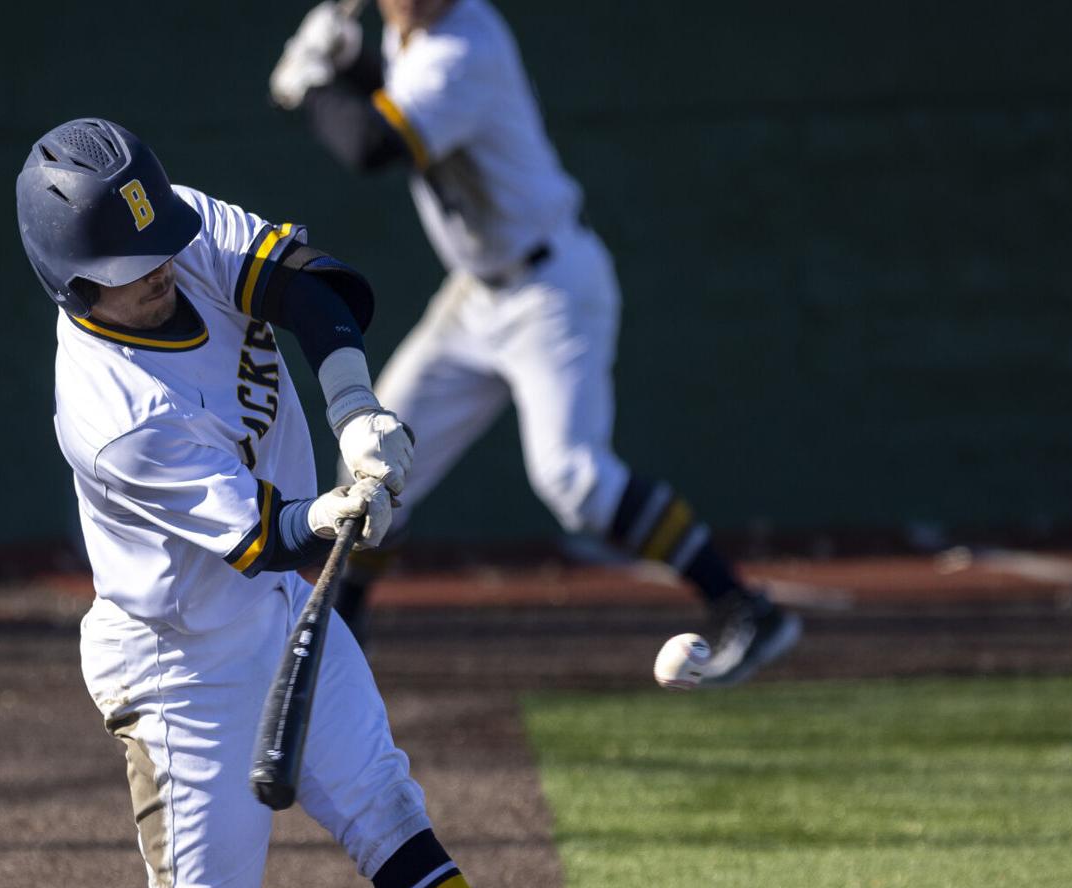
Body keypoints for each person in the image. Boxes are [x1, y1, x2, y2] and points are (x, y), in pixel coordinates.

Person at [0, 117, 578, 888]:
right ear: (71, 286)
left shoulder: (162, 221)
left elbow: (304, 285)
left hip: (277, 611)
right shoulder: (110, 410)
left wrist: (356, 408)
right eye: (126, 268)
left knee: (384, 805)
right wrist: (330, 512)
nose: (158, 271)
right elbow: (265, 534)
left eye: (158, 248)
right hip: (177, 661)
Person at [269, 0, 801, 684]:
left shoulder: (465, 42)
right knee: (372, 461)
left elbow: (376, 144)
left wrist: (315, 85)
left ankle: (745, 607)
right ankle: (343, 637)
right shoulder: (411, 36)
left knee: (573, 479)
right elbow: (394, 103)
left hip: (549, 288)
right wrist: (351, 64)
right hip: (477, 294)